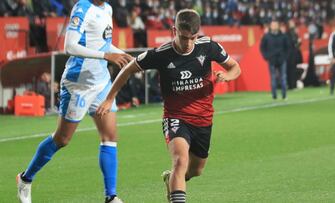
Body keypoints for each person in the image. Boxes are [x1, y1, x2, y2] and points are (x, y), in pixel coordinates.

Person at [96, 9, 241, 203]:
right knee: (180, 162)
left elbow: (235, 67)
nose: (188, 43)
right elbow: (127, 69)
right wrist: (109, 98)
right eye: (183, 37)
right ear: (174, 30)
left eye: (193, 38)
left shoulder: (209, 47)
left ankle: (171, 179)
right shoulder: (160, 54)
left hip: (204, 119)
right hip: (175, 117)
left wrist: (227, 76)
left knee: (196, 170)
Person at [16, 0, 132, 203]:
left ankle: (110, 196)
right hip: (78, 83)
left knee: (110, 137)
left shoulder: (107, 8)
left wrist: (121, 54)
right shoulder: (82, 8)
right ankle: (25, 178)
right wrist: (107, 55)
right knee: (62, 139)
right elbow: (69, 46)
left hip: (101, 81)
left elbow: (102, 42)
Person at [260, 19, 290, 100]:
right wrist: (266, 56)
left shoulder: (284, 36)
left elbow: (288, 48)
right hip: (272, 59)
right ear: (270, 26)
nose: (274, 26)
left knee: (283, 77)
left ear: (278, 26)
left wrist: (285, 57)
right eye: (273, 25)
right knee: (273, 78)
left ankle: (284, 95)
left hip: (282, 59)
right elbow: (262, 47)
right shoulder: (266, 36)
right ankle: (274, 95)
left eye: (276, 25)